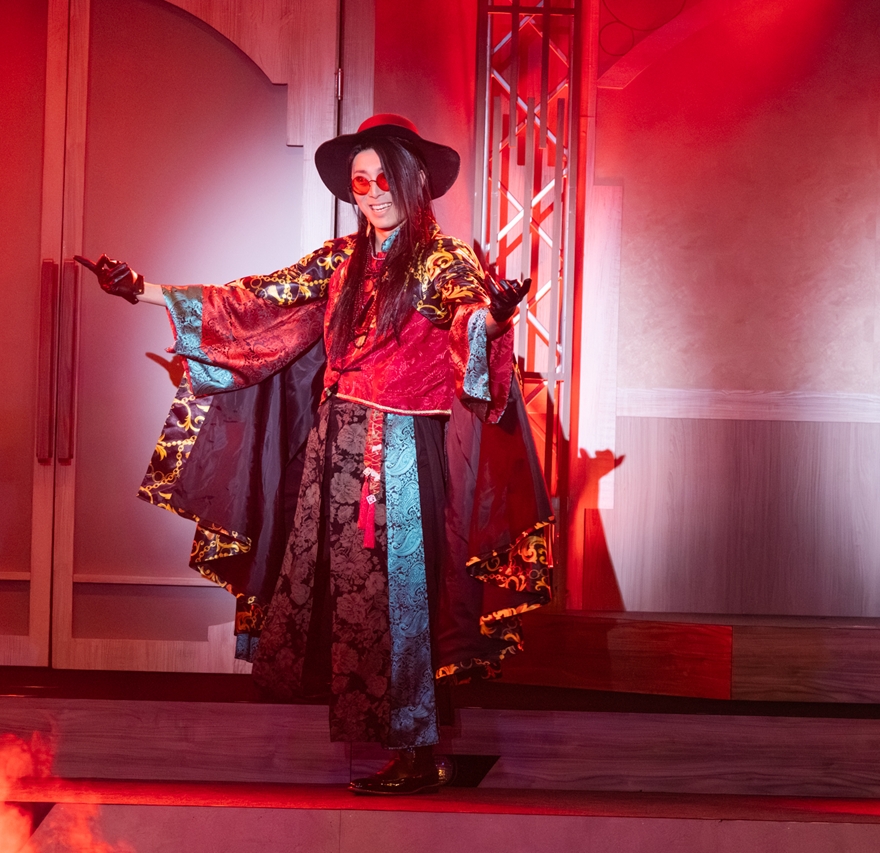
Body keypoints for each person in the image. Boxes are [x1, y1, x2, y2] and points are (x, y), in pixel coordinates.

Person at [83, 114, 553, 795]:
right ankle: (392, 742)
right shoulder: (340, 259)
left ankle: (417, 751)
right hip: (336, 450)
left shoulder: (442, 259)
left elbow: (467, 317)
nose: (372, 192)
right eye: (361, 181)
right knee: (354, 601)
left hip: (398, 452)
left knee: (404, 597)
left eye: (384, 179)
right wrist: (141, 288)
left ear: (413, 181)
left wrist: (497, 318)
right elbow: (253, 300)